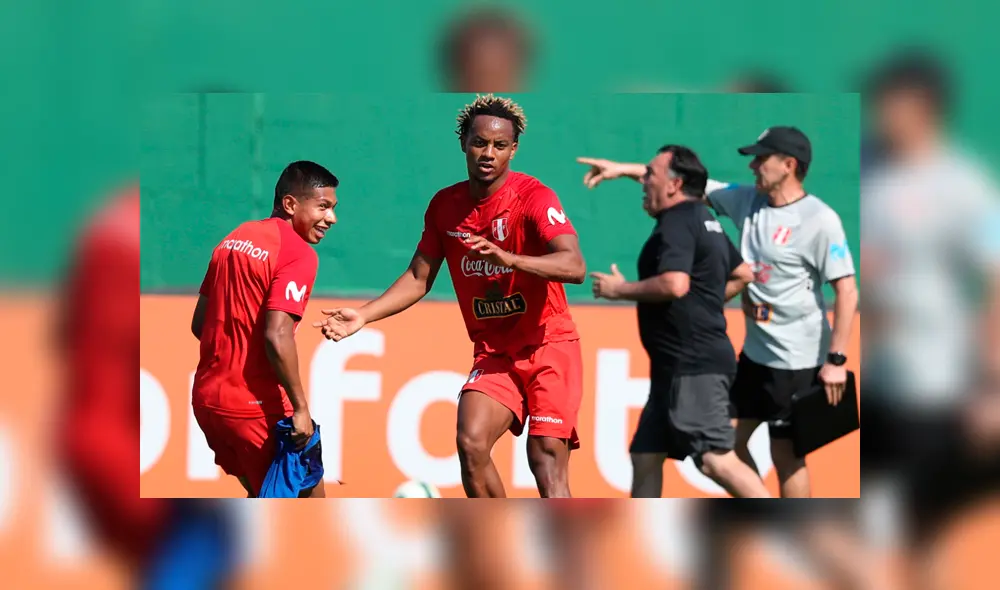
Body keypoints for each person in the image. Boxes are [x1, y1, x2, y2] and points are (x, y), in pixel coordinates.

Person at [315, 94, 587, 498]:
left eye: (499, 145)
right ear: (463, 142)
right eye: (480, 142)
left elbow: (574, 266)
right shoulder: (446, 206)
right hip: (495, 353)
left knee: (544, 458)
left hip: (549, 344)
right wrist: (364, 316)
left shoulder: (534, 198)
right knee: (471, 441)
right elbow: (418, 276)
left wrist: (510, 258)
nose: (488, 153)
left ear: (514, 149)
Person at [578, 125, 860, 498]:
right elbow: (688, 186)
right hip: (755, 356)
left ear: (789, 164)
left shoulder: (819, 220)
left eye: (762, 158)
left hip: (797, 359)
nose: (754, 165)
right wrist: (622, 169)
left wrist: (836, 359)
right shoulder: (746, 200)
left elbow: (847, 290)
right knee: (721, 445)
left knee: (782, 454)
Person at [862, 51, 1000, 589]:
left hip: (930, 385)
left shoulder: (963, 184)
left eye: (892, 101)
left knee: (922, 527)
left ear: (924, 108)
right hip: (862, 377)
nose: (881, 112)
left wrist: (990, 384)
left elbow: (995, 282)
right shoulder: (864, 166)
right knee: (826, 512)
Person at [58, 186, 237, 588]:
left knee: (198, 540)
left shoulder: (109, 225)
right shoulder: (164, 237)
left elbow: (65, 335)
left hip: (87, 434)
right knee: (203, 539)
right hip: (126, 443)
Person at [589, 145, 767, 498]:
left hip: (693, 364)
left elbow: (675, 283)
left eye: (650, 174)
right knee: (645, 456)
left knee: (715, 460)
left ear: (674, 184)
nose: (643, 180)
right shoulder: (704, 218)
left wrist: (619, 289)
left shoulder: (677, 221)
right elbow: (743, 273)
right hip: (676, 367)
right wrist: (705, 304)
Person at [192, 160, 338, 498]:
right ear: (290, 204)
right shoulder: (297, 253)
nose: (331, 218)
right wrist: (301, 409)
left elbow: (201, 324)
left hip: (208, 403)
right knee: (307, 514)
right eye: (323, 206)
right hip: (256, 407)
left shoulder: (232, 239)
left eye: (333, 208)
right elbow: (278, 334)